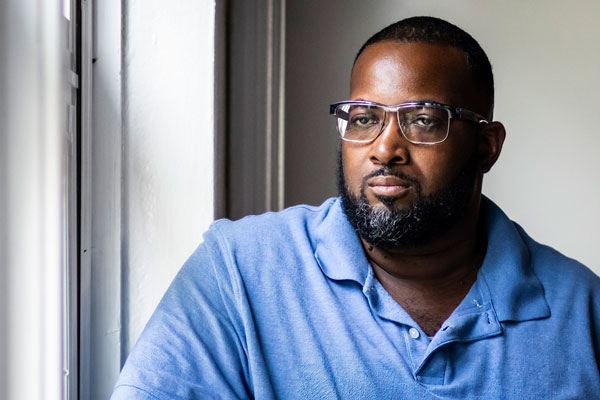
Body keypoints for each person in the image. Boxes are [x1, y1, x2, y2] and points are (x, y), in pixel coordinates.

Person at [112, 16, 600, 399]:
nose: (384, 148)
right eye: (364, 118)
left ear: (487, 146)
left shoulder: (582, 310)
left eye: (424, 120)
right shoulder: (238, 270)